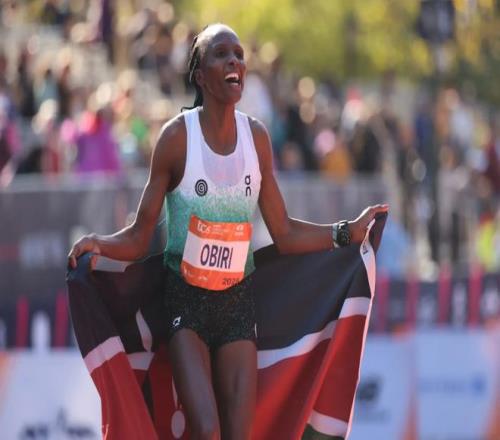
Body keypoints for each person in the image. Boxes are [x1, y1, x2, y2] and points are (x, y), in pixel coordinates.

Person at [68, 24, 388, 440]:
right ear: (200, 75)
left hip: (237, 304)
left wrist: (346, 232)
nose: (234, 60)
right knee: (205, 430)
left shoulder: (256, 138)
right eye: (221, 54)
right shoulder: (177, 138)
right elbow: (138, 236)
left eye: (238, 54)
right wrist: (100, 243)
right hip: (186, 303)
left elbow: (284, 232)